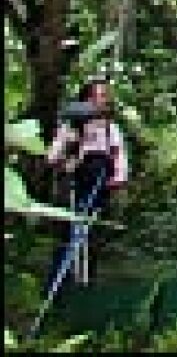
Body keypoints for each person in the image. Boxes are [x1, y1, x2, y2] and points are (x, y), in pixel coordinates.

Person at [44, 75, 129, 294]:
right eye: (97, 96)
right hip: (73, 187)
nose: (101, 101)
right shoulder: (72, 126)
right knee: (69, 236)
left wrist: (118, 177)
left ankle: (87, 285)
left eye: (104, 96)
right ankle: (60, 288)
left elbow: (119, 159)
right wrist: (69, 149)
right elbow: (52, 158)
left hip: (99, 188)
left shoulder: (111, 130)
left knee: (91, 237)